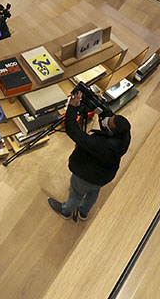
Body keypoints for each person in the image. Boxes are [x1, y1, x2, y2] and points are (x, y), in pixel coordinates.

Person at [48, 89, 131, 222]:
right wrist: (99, 103)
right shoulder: (125, 136)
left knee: (76, 195)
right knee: (93, 192)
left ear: (110, 132)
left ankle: (66, 211)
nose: (107, 119)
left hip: (85, 176)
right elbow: (108, 116)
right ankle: (84, 212)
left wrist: (72, 106)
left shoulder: (99, 144)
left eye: (109, 122)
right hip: (104, 176)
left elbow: (73, 130)